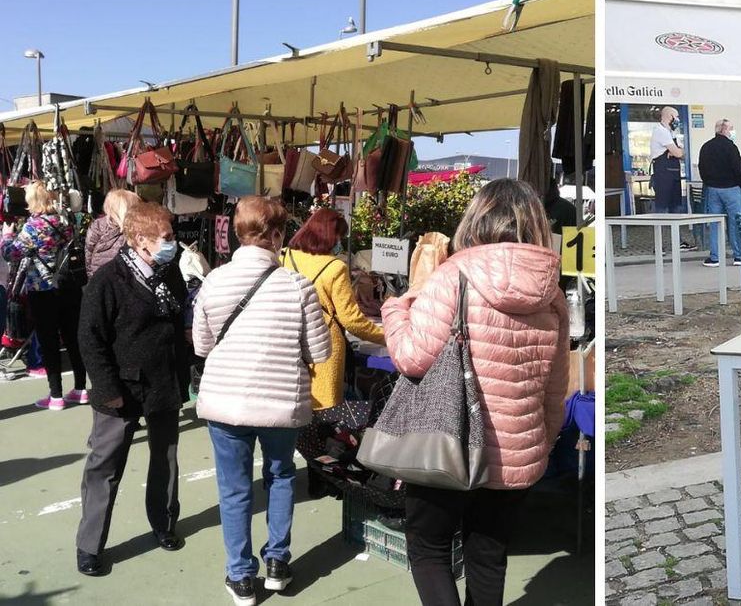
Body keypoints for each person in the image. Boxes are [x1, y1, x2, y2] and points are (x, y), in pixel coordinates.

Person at [382, 178, 570, 606]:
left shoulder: (452, 276)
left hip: (447, 443)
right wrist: (540, 443)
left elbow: (412, 357)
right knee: (488, 556)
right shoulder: (552, 293)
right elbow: (555, 389)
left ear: (476, 219)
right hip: (516, 449)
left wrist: (395, 308)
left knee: (429, 549)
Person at [192, 196, 330, 606]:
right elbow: (319, 351)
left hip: (225, 403)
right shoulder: (297, 285)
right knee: (281, 476)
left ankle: (240, 576)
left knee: (234, 490)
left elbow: (201, 345)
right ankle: (277, 563)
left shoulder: (213, 281)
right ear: (276, 235)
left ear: (237, 233)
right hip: (280, 404)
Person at [75, 202, 190, 577]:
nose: (174, 243)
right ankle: (90, 546)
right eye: (167, 237)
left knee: (165, 460)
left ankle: (163, 524)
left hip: (163, 384)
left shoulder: (169, 273)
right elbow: (90, 340)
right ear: (141, 240)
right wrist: (108, 390)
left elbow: (176, 326)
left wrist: (184, 371)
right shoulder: (107, 281)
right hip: (120, 388)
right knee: (104, 466)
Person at [281, 208, 386, 497]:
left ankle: (282, 473)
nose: (341, 242)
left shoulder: (284, 257)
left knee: (290, 410)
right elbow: (352, 320)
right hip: (325, 347)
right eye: (339, 236)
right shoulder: (333, 268)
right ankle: (323, 479)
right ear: (330, 235)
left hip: (289, 340)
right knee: (324, 417)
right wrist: (387, 335)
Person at [0, 180, 88, 409]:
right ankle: (80, 388)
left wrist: (7, 236)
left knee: (49, 341)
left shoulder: (33, 226)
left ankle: (56, 395)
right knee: (73, 338)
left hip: (42, 288)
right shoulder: (64, 222)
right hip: (68, 286)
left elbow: (10, 253)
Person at [698, 118, 741, 268]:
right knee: (735, 223)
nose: (733, 131)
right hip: (732, 189)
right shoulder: (731, 147)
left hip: (713, 190)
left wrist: (709, 183)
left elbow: (702, 168)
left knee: (715, 223)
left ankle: (715, 257)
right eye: (731, 128)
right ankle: (738, 256)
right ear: (724, 130)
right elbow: (739, 169)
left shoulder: (706, 147)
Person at [649, 106, 696, 250]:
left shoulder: (670, 133)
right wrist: (675, 152)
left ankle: (678, 242)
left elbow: (682, 152)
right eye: (677, 117)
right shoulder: (661, 132)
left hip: (673, 175)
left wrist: (676, 152)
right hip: (663, 176)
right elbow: (678, 153)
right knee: (661, 211)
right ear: (670, 116)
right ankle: (658, 246)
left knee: (675, 209)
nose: (678, 120)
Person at [85, 189, 141, 278]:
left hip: (100, 276)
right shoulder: (137, 226)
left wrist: (91, 277)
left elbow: (89, 253)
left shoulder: (98, 224)